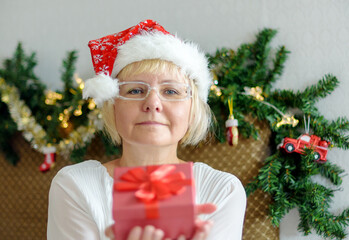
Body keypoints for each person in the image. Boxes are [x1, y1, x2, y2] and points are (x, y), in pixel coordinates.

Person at [47, 19, 246, 240]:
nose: (153, 103)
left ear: (193, 109)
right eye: (134, 90)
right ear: (113, 106)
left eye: (170, 91)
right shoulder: (75, 186)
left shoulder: (222, 191)